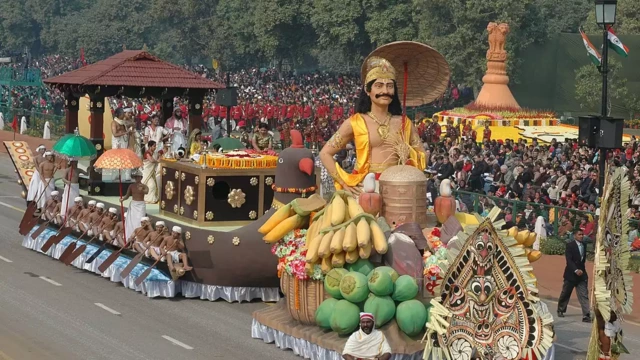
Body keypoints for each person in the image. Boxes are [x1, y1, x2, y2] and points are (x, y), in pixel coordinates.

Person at [319, 56, 426, 196]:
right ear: (368, 90)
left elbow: (422, 156)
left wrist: (410, 155)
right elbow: (325, 153)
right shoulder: (356, 122)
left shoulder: (405, 123)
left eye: (390, 86)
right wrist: (345, 182)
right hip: (365, 188)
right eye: (379, 85)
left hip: (398, 187)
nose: (385, 91)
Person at [557, 229, 591, 322]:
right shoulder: (570, 246)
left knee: (583, 295)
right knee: (566, 293)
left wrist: (582, 270)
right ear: (575, 236)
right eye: (579, 234)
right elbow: (569, 260)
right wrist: (575, 270)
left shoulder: (584, 244)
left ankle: (586, 315)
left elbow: (582, 260)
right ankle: (561, 309)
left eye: (582, 234)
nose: (581, 236)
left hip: (582, 275)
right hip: (571, 274)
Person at [121, 171, 148, 241]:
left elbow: (147, 192)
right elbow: (127, 196)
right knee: (131, 221)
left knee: (139, 220)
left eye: (138, 177)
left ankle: (137, 238)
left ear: (141, 178)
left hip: (141, 205)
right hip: (133, 204)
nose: (137, 178)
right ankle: (128, 237)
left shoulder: (144, 186)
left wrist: (142, 190)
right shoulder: (131, 186)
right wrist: (123, 199)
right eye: (136, 177)